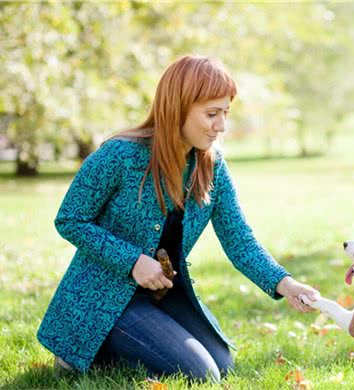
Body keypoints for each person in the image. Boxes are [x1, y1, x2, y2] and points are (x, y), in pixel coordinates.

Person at [36, 55, 320, 383]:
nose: (221, 125)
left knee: (222, 364)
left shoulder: (212, 166)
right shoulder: (118, 156)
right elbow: (70, 219)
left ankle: (120, 348)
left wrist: (286, 285)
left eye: (226, 113)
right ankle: (87, 345)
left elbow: (239, 239)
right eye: (212, 114)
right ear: (177, 107)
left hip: (160, 296)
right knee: (200, 374)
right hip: (103, 298)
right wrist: (132, 261)